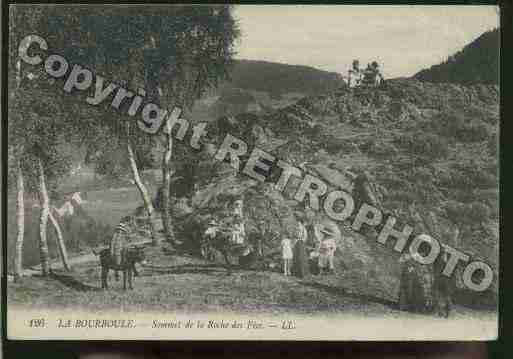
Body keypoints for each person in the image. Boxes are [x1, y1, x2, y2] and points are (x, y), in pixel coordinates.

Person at [292, 214, 310, 278]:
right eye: (297, 222)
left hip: (301, 243)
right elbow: (293, 234)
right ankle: (296, 272)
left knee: (301, 257)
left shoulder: (303, 228)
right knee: (296, 257)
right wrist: (294, 239)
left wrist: (302, 240)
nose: (298, 224)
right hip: (296, 242)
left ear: (301, 222)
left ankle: (303, 273)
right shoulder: (296, 228)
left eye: (299, 222)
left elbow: (305, 236)